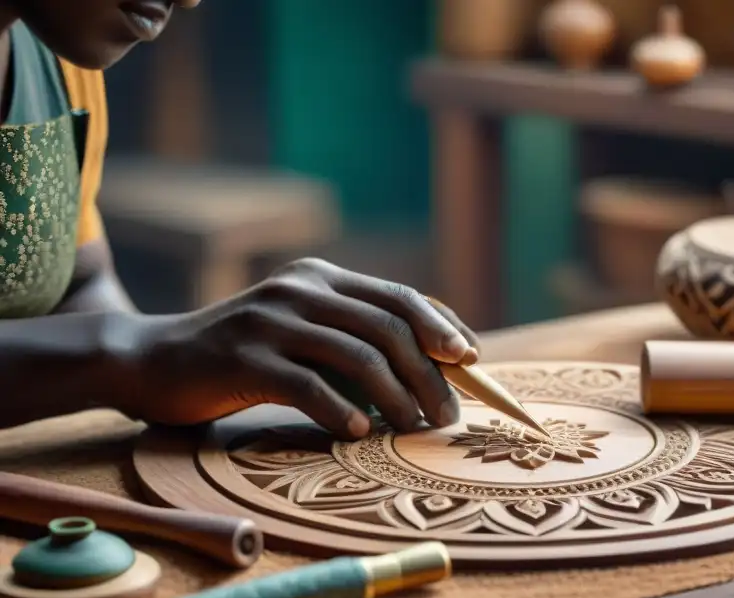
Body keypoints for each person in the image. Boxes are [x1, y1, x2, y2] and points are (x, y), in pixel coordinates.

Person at [0, 0, 480, 440]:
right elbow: (115, 348)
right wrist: (127, 356)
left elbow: (75, 286)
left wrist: (203, 354)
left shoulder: (60, 65)